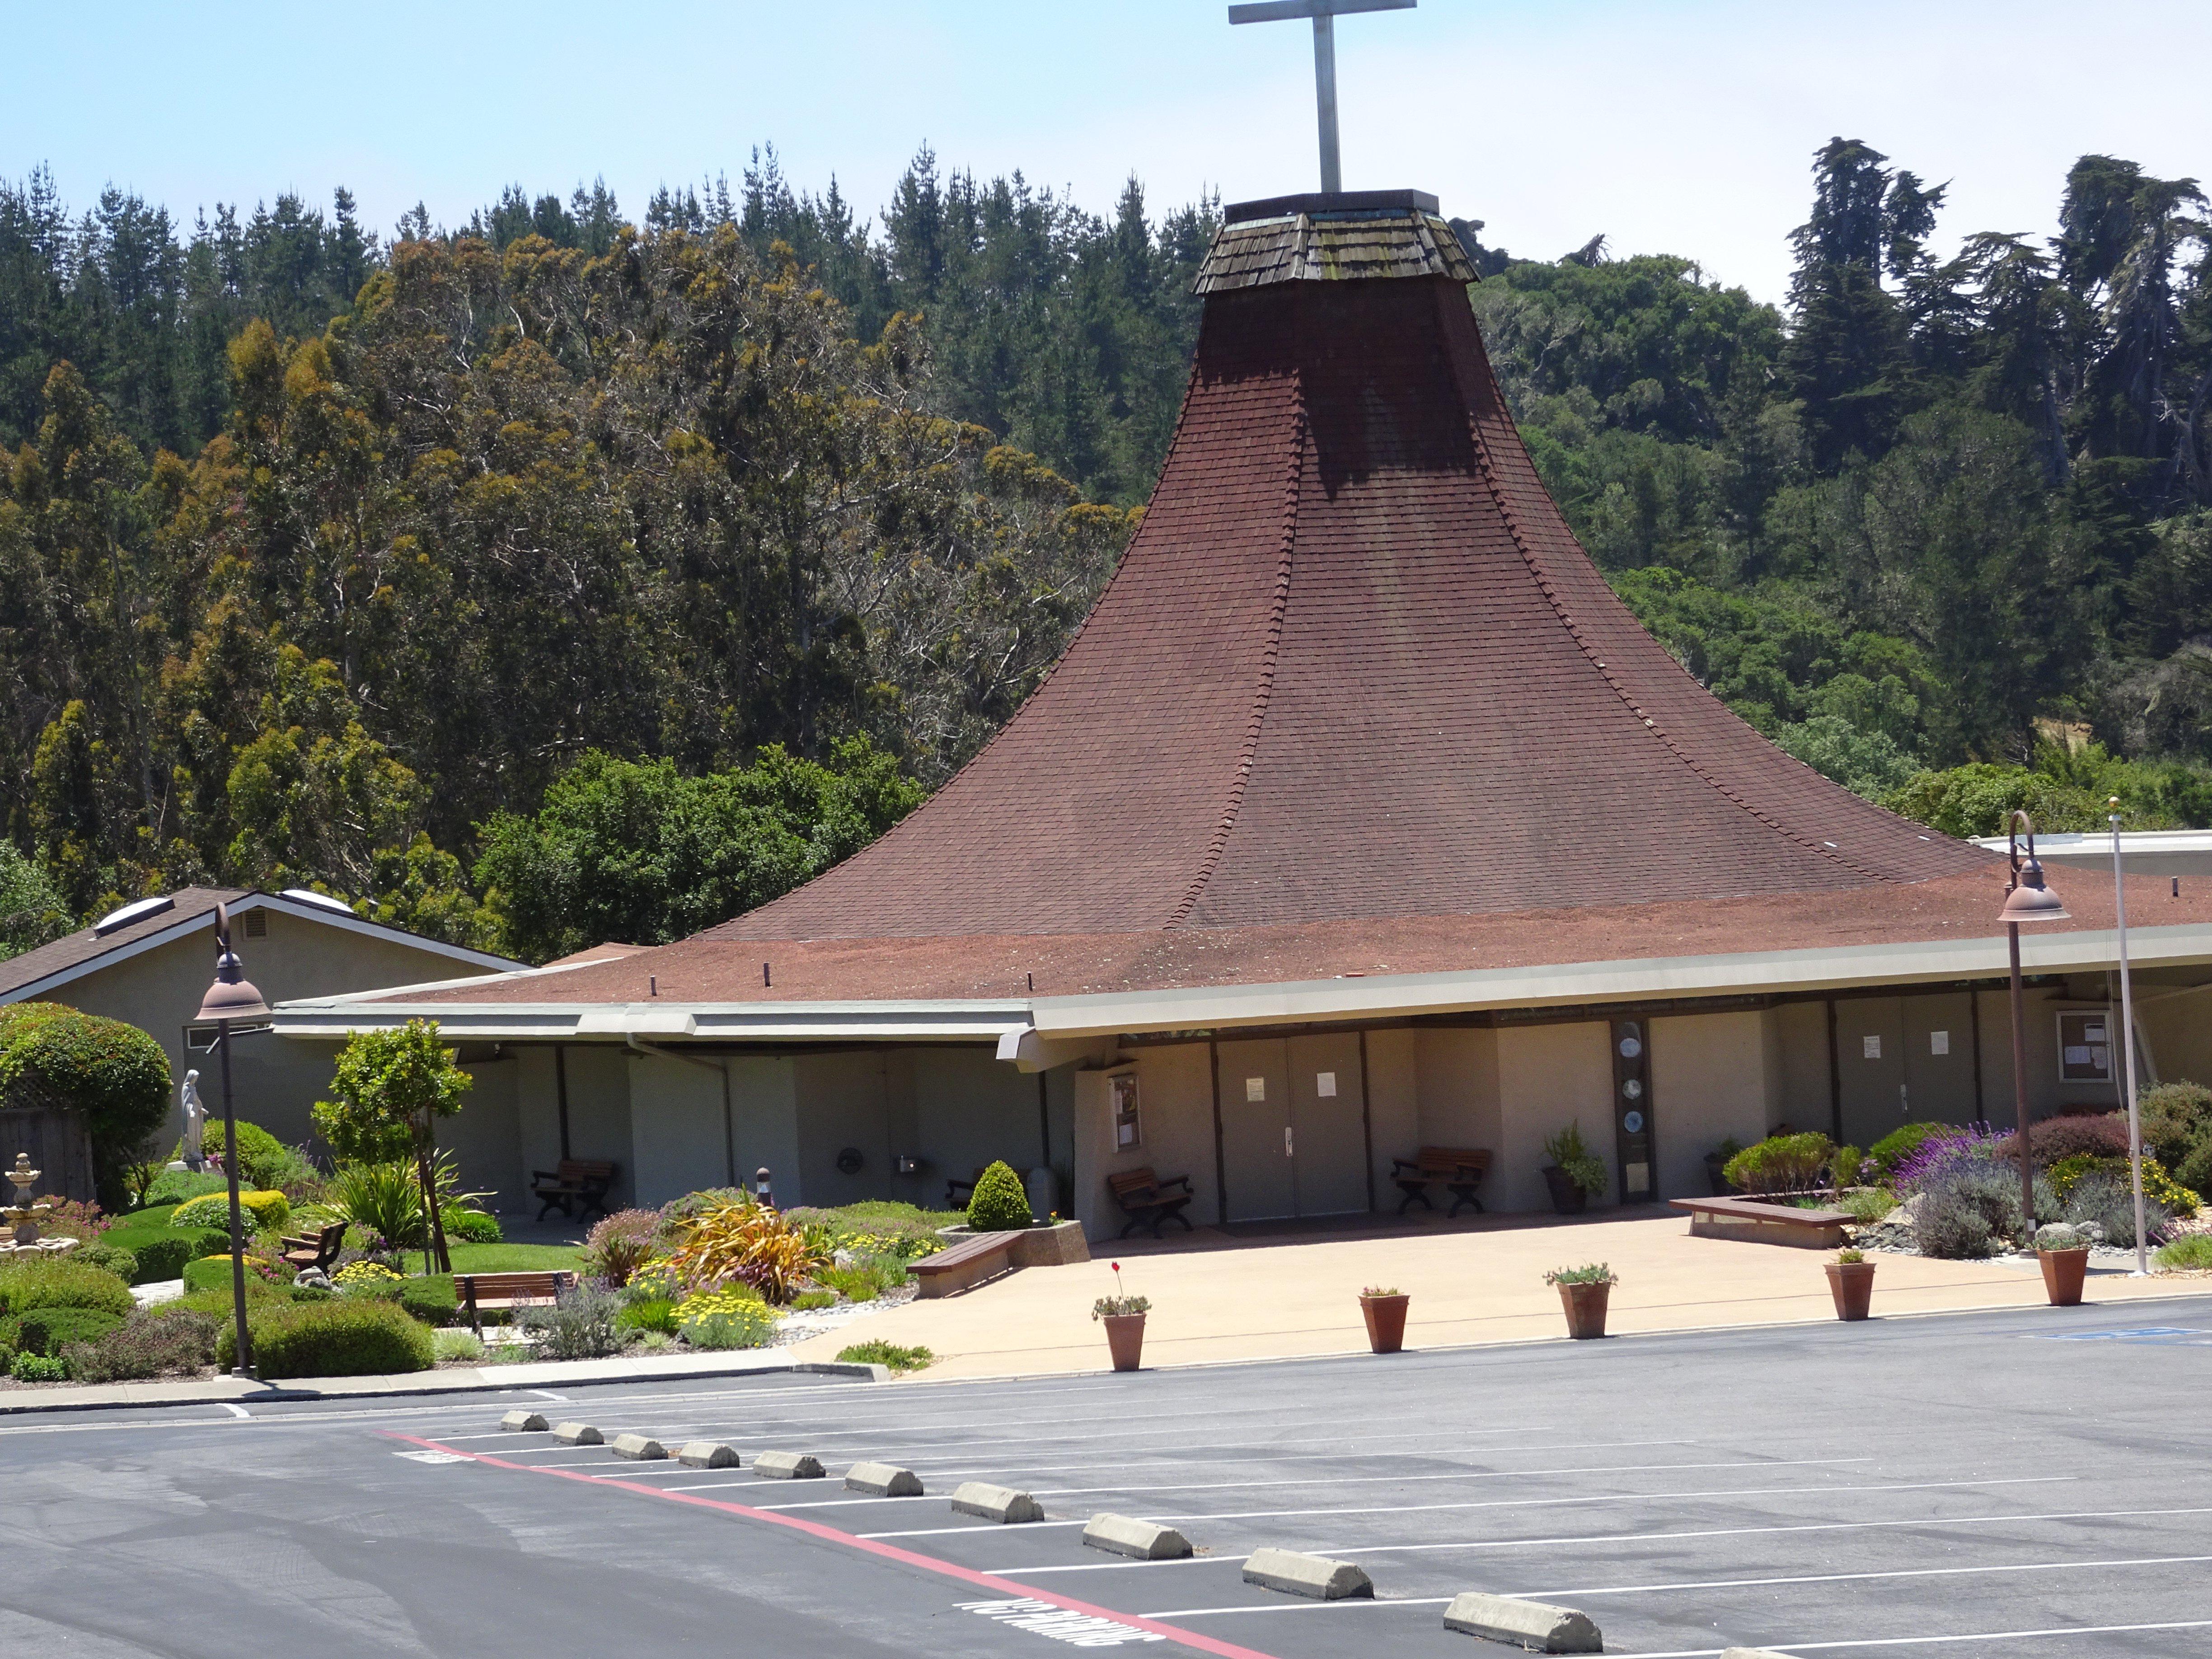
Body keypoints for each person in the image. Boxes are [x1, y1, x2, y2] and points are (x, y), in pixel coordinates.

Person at [180, 1070, 206, 1171]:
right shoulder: (186, 1088)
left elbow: (196, 1100)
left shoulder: (193, 1089)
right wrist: (191, 1111)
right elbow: (186, 1103)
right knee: (191, 1132)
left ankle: (195, 1150)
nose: (195, 1080)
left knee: (196, 1132)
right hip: (190, 1114)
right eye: (195, 1078)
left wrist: (201, 1109)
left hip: (196, 1113)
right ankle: (190, 1152)